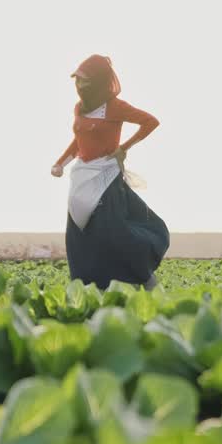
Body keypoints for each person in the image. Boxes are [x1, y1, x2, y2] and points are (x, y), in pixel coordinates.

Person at [50, 54, 169, 289]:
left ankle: (144, 279)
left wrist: (123, 148)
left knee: (114, 235)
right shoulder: (79, 108)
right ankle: (89, 287)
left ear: (98, 82)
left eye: (85, 81)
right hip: (83, 178)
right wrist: (60, 163)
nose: (80, 85)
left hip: (106, 177)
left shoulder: (115, 107)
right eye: (77, 80)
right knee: (81, 237)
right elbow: (79, 140)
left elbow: (150, 121)